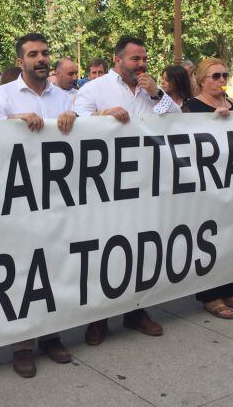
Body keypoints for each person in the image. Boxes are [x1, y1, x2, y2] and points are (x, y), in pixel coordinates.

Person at [0, 33, 76, 378]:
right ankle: (21, 344)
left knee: (53, 267)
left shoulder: (65, 98)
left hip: (56, 199)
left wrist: (74, 122)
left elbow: (85, 137)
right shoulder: (1, 96)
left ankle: (52, 335)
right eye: (33, 54)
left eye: (45, 53)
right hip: (17, 200)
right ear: (20, 61)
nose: (41, 59)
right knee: (22, 271)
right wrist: (14, 124)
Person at [74, 36, 180, 346]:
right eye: (135, 59)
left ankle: (137, 311)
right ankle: (99, 318)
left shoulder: (150, 91)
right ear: (117, 60)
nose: (142, 64)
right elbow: (75, 123)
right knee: (105, 249)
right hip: (105, 185)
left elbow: (176, 120)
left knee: (142, 246)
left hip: (144, 182)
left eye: (144, 58)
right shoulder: (95, 89)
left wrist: (156, 92)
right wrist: (103, 117)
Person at [184, 58, 233, 319]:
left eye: (224, 75)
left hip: (232, 182)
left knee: (232, 235)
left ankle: (230, 289)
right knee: (210, 237)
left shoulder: (232, 104)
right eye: (215, 76)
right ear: (202, 80)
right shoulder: (191, 107)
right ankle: (210, 295)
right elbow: (185, 141)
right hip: (206, 184)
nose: (222, 80)